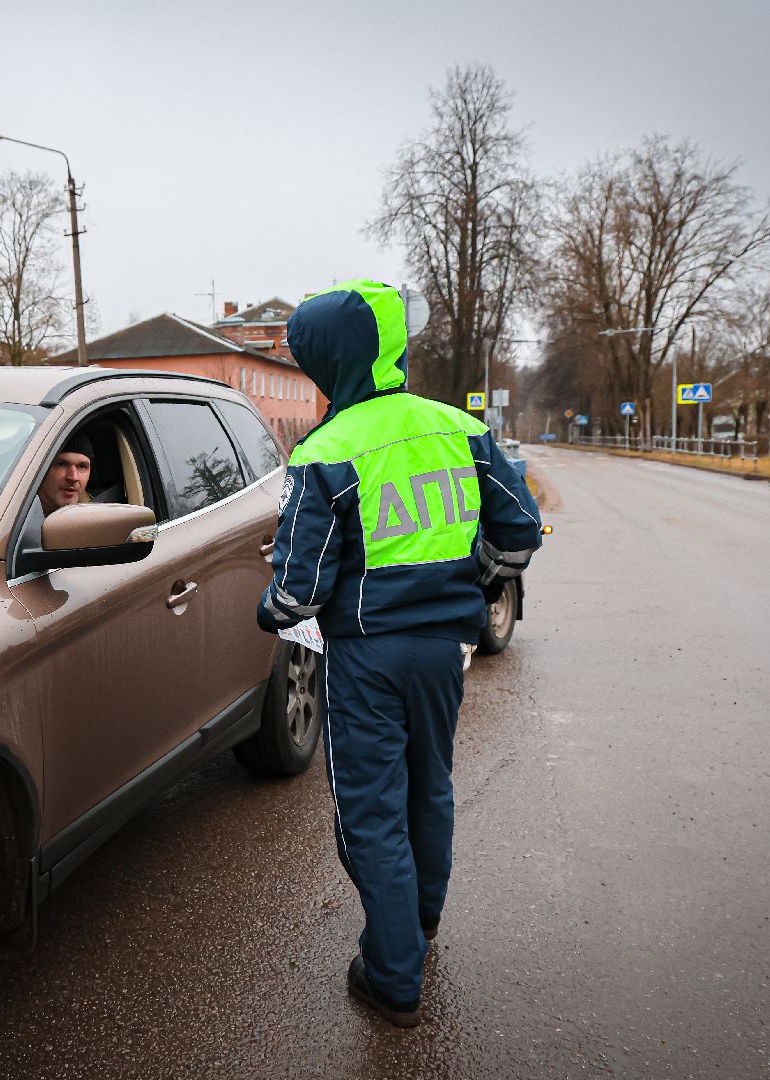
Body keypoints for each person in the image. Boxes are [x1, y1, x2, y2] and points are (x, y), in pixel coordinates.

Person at [256, 279, 543, 1027]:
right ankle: (421, 923)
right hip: (445, 651)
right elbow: (518, 535)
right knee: (430, 786)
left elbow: (298, 590)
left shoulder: (327, 450)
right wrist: (467, 583)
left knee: (370, 810)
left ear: (331, 362)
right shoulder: (461, 428)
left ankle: (392, 977)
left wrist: (271, 611)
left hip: (368, 657)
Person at [38, 433, 93, 515]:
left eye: (81, 466)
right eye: (61, 464)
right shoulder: (16, 509)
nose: (73, 477)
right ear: (41, 470)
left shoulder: (98, 519)